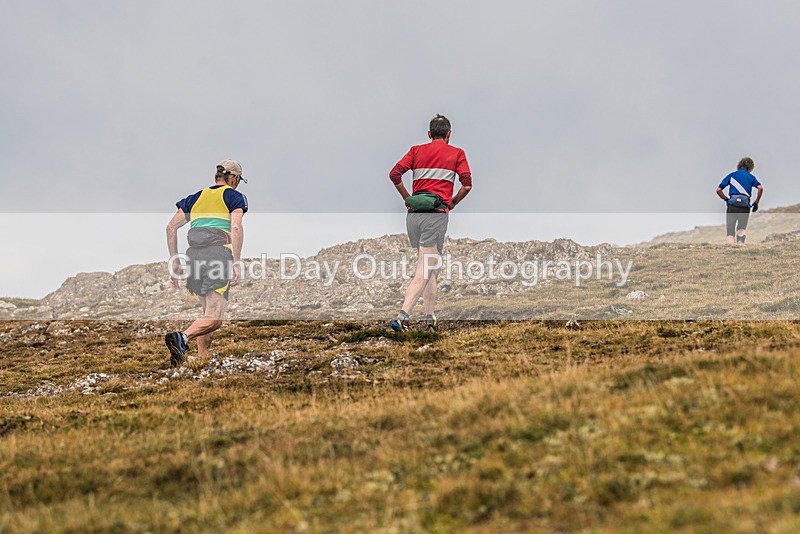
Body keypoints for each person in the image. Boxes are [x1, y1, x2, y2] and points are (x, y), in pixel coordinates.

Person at [388, 114, 472, 331]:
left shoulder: (416, 151)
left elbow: (395, 174)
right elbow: (467, 184)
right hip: (435, 216)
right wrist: (453, 202)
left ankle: (429, 317)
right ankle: (403, 316)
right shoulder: (457, 153)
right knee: (425, 268)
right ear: (449, 134)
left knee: (432, 266)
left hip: (414, 216)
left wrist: (407, 198)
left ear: (429, 134)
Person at [164, 159, 248, 367]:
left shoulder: (195, 198)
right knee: (214, 317)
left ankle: (201, 359)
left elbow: (171, 227)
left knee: (208, 315)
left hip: (194, 256)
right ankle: (182, 337)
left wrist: (175, 261)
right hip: (218, 254)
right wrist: (236, 262)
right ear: (234, 179)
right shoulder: (233, 196)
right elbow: (236, 227)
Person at [716, 157, 764, 245]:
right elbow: (760, 188)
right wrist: (756, 202)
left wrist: (726, 199)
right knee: (741, 227)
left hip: (732, 205)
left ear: (739, 165)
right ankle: (740, 244)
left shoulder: (732, 175)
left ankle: (731, 248)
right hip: (745, 206)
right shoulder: (751, 177)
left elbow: (718, 190)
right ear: (751, 168)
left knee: (730, 230)